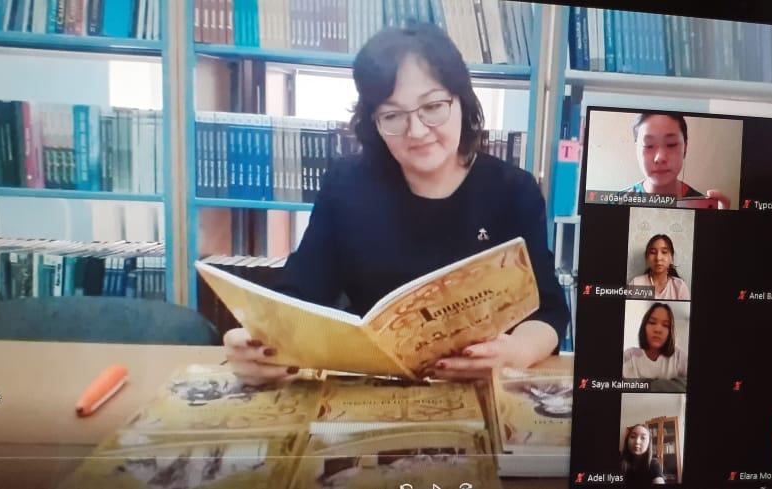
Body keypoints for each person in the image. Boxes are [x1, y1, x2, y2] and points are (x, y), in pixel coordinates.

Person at [222, 24, 570, 385]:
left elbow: (548, 311)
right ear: (373, 121)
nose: (416, 131)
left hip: (482, 386)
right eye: (392, 115)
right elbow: (298, 293)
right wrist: (259, 343)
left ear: (461, 101)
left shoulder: (512, 190)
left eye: (432, 107)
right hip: (370, 388)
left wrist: (517, 352)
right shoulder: (346, 185)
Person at [620, 113, 731, 209]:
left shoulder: (702, 207)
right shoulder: (618, 202)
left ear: (685, 147)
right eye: (648, 145)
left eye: (671, 144)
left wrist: (720, 224)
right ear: (637, 149)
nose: (660, 158)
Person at [622, 303, 688, 381]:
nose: (657, 330)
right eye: (652, 322)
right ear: (644, 327)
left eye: (665, 325)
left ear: (670, 332)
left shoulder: (679, 357)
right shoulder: (629, 356)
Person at [627, 234, 690, 300]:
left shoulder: (680, 287)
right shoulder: (636, 284)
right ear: (647, 258)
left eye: (664, 252)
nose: (658, 258)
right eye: (653, 252)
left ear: (671, 258)